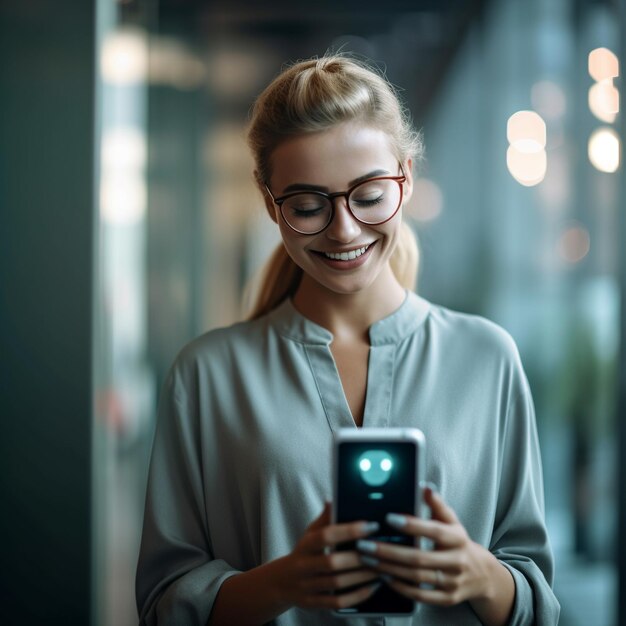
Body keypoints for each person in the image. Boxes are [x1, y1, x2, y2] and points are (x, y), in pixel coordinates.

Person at [135, 55, 560, 625]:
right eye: (308, 206)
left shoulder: (488, 358)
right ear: (270, 203)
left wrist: (480, 574)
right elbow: (165, 606)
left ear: (405, 179)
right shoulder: (207, 374)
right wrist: (284, 580)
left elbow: (540, 605)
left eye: (369, 196)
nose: (343, 230)